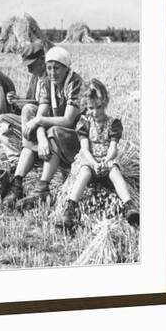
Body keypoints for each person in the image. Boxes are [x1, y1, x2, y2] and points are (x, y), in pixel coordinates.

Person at [5, 46, 83, 210]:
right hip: (53, 131)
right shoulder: (47, 82)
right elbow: (40, 113)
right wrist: (41, 138)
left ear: (66, 68)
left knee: (52, 130)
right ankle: (17, 183)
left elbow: (68, 120)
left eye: (57, 68)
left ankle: (43, 186)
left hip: (75, 137)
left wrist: (40, 122)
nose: (53, 73)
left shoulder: (75, 83)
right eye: (49, 68)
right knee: (28, 110)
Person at [57, 79, 139, 229]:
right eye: (91, 108)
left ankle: (128, 205)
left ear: (106, 102)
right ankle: (70, 208)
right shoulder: (85, 123)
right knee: (84, 171)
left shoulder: (113, 123)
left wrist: (106, 161)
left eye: (99, 107)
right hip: (90, 160)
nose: (95, 112)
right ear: (85, 107)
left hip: (107, 159)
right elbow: (84, 149)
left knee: (114, 170)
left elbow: (113, 147)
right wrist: (94, 163)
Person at [0, 43, 47, 154]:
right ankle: (14, 157)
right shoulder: (35, 77)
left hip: (45, 120)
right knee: (1, 119)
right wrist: (16, 101)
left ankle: (28, 151)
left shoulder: (52, 77)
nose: (29, 70)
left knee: (28, 109)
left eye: (31, 65)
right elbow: (31, 101)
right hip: (31, 119)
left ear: (42, 60)